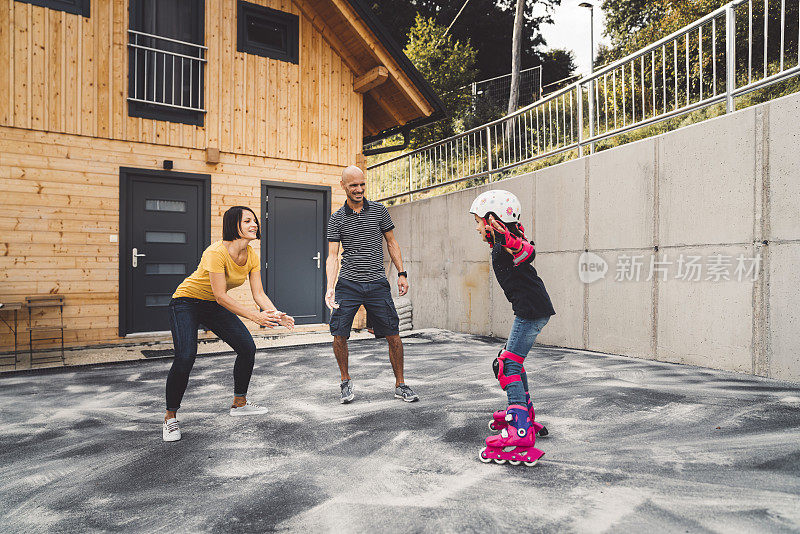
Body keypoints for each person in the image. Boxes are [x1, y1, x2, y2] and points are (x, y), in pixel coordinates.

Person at [162, 206, 295, 442]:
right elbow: (222, 295)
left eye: (254, 221)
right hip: (186, 302)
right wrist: (255, 317)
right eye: (247, 221)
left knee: (247, 348)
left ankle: (239, 403)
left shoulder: (252, 255)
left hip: (212, 303)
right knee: (185, 356)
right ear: (233, 225)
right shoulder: (216, 253)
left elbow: (259, 294)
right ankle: (170, 417)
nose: (254, 225)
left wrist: (275, 314)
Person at [469, 190, 555, 466]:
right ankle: (524, 415)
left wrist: (506, 238)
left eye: (479, 221)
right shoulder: (500, 243)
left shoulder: (509, 243)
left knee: (508, 366)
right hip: (532, 309)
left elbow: (526, 251)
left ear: (492, 219)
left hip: (531, 311)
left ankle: (519, 430)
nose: (478, 227)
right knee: (509, 363)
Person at [325, 165, 418, 404]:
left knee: (393, 334)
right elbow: (332, 255)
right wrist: (330, 286)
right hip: (348, 283)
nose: (359, 189)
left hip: (377, 283)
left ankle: (401, 384)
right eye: (353, 185)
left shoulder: (379, 210)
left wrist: (402, 273)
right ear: (343, 186)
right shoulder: (337, 219)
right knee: (338, 333)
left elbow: (391, 242)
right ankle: (345, 381)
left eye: (362, 184)